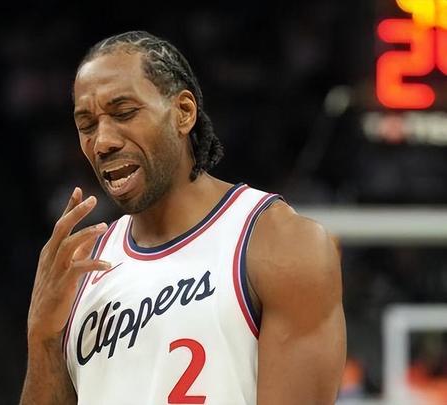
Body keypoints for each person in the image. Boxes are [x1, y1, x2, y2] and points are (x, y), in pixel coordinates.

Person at [20, 30, 346, 405]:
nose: (103, 141)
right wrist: (42, 337)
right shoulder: (80, 268)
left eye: (124, 113)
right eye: (87, 125)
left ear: (184, 112)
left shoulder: (277, 242)